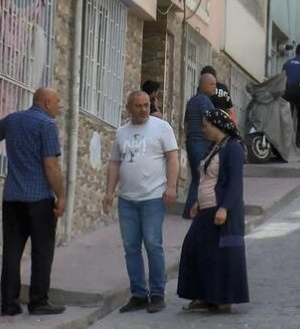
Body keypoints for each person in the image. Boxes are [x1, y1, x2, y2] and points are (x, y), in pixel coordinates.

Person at [102, 91, 179, 314]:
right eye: (139, 106)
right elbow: (115, 163)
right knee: (131, 247)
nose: (144, 109)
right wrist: (109, 192)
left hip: (153, 197)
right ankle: (138, 293)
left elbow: (172, 157)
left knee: (153, 245)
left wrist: (171, 186)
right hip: (127, 199)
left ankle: (157, 293)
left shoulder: (161, 127)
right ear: (128, 108)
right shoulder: (122, 132)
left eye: (146, 105)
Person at [0, 87, 66, 316]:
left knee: (11, 250)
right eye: (57, 101)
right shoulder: (46, 125)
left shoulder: (12, 120)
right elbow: (50, 164)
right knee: (42, 251)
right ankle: (38, 302)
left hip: (12, 197)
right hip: (39, 199)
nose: (60, 105)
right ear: (46, 102)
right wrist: (62, 195)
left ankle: (8, 303)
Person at [177, 109, 249, 313]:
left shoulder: (232, 148)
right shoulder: (215, 147)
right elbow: (207, 178)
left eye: (206, 125)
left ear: (216, 125)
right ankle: (204, 294)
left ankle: (222, 298)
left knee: (222, 256)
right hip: (206, 208)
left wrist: (224, 208)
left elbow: (234, 182)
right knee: (198, 250)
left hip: (221, 210)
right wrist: (198, 203)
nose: (203, 129)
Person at [183, 73, 216, 218]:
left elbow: (185, 124)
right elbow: (208, 121)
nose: (214, 87)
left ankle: (190, 210)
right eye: (212, 84)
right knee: (201, 176)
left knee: (197, 177)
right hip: (201, 142)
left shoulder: (191, 101)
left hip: (191, 141)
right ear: (203, 84)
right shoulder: (204, 101)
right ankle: (192, 211)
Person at [282, 44, 300, 148]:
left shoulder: (288, 63)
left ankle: (287, 140)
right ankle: (298, 140)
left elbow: (282, 78)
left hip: (289, 90)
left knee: (287, 116)